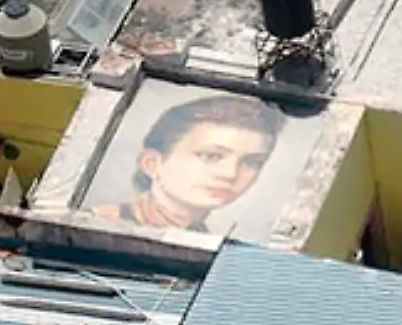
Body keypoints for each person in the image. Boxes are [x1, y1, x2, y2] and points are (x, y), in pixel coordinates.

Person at [90, 94, 283, 233]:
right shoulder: (97, 225)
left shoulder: (206, 240)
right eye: (211, 156)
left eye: (251, 162)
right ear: (152, 163)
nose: (230, 174)